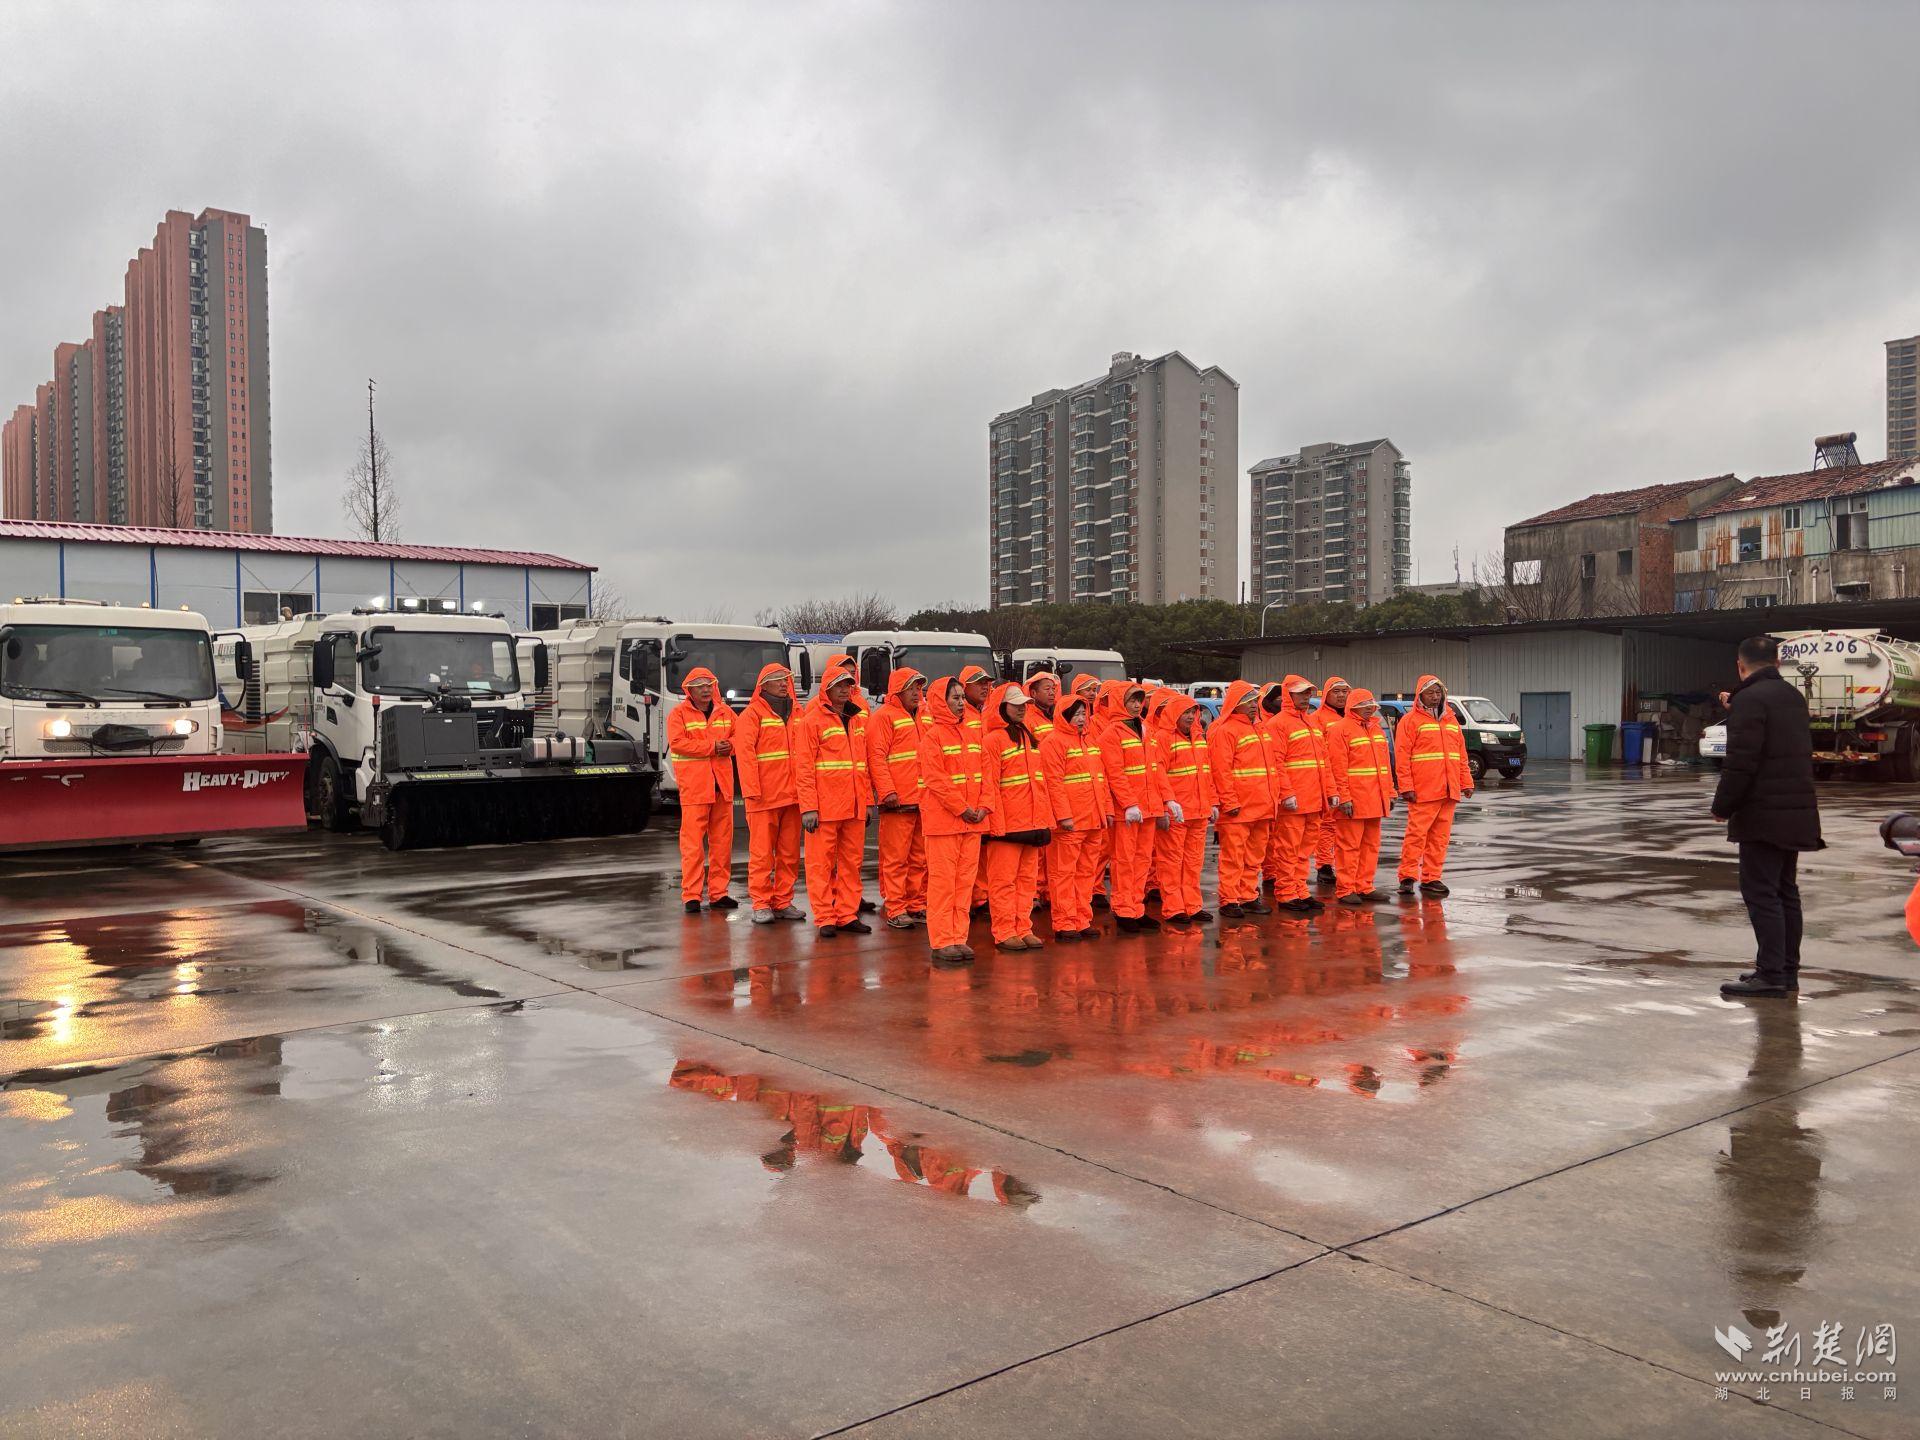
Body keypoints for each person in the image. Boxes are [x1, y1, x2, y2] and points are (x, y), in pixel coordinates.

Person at [1713, 635, 1824, 997]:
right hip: (1795, 812)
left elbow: (1741, 762)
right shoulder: (1793, 697)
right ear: (1778, 663)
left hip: (1762, 814)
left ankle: (1771, 975)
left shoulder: (1749, 700)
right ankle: (1786, 971)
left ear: (1740, 666)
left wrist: (1722, 806)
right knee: (1785, 891)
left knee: (1762, 894)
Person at [795, 669, 873, 938]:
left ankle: (847, 914)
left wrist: (868, 801)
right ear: (826, 689)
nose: (844, 690)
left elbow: (864, 765)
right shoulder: (812, 721)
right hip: (825, 808)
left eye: (848, 685)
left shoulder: (857, 720)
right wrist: (808, 808)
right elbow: (804, 767)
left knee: (852, 863)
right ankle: (825, 917)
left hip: (854, 806)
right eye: (838, 685)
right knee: (820, 865)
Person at [918, 676, 990, 964]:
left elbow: (986, 774)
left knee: (964, 883)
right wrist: (963, 808)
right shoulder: (932, 737)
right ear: (941, 701)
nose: (961, 703)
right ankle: (942, 940)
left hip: (971, 822)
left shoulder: (972, 735)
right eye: (955, 698)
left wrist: (984, 806)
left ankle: (959, 936)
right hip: (944, 823)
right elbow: (936, 779)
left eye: (962, 697)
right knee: (943, 883)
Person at [1209, 680, 1292, 917]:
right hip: (1239, 808)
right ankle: (1229, 900)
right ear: (1234, 704)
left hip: (1262, 807)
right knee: (1233, 857)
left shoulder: (1260, 729)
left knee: (1254, 857)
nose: (1253, 705)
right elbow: (1221, 770)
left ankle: (1247, 896)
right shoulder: (1225, 730)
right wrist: (1229, 802)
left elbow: (1272, 767)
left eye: (1255, 701)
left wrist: (1275, 798)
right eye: (1247, 701)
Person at [981, 683, 1053, 951]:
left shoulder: (1027, 736)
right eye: (1016, 705)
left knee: (1026, 882)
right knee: (1003, 882)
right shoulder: (993, 740)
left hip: (1031, 823)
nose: (1022, 709)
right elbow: (989, 785)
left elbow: (1039, 783)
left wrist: (1043, 820)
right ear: (1002, 707)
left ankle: (1023, 928)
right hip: (1007, 826)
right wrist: (995, 825)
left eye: (1024, 705)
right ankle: (1003, 931)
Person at [734, 663, 807, 925]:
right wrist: (752, 791)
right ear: (763, 685)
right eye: (778, 679)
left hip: (794, 796)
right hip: (764, 797)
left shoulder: (798, 712)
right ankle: (761, 903)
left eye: (786, 679)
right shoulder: (751, 715)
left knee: (789, 854)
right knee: (762, 854)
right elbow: (745, 756)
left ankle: (783, 901)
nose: (784, 683)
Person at [1097, 680, 1171, 932]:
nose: (1137, 705)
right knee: (1124, 861)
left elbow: (1156, 769)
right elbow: (1114, 773)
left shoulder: (1147, 729)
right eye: (1132, 700)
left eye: (1139, 700)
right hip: (1127, 811)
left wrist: (1167, 799)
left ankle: (1136, 908)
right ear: (1121, 702)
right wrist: (1128, 803)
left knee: (1142, 861)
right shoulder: (1111, 734)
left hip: (1148, 808)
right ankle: (1123, 909)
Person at [665, 666, 738, 913]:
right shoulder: (678, 714)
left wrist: (731, 746)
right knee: (693, 846)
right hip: (695, 788)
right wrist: (713, 747)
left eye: (709, 685)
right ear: (690, 690)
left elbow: (742, 737)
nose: (706, 690)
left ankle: (719, 894)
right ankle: (692, 896)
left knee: (722, 844)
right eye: (700, 686)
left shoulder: (725, 712)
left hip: (721, 788)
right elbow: (677, 744)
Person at [1041, 692, 1111, 941]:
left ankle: (1082, 919)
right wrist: (1064, 816)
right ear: (1064, 716)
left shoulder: (1090, 742)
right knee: (1063, 873)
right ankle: (1064, 922)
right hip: (1070, 822)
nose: (1081, 718)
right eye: (1076, 714)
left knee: (1086, 873)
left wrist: (1107, 811)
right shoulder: (1053, 743)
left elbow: (1101, 779)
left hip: (1093, 819)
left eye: (1083, 713)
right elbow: (1053, 783)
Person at [1395, 673, 1472, 896]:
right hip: (1423, 790)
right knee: (1416, 836)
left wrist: (1466, 782)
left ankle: (1431, 878)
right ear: (1420, 695)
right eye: (1430, 693)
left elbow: (1461, 756)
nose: (1435, 696)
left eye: (1438, 692)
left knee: (1440, 839)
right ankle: (1407, 877)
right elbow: (1402, 756)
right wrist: (1406, 786)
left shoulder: (1452, 721)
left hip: (1449, 791)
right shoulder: (1410, 721)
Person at [868, 667, 929, 929]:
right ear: (897, 691)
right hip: (898, 801)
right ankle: (895, 907)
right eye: (910, 688)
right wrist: (887, 791)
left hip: (922, 799)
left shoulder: (925, 716)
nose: (916, 693)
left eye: (918, 688)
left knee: (919, 858)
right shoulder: (883, 717)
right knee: (896, 859)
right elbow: (876, 757)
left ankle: (915, 904)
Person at [1268, 675, 1332, 914]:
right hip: (1294, 801)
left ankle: (1300, 890)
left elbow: (1324, 761)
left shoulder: (1311, 723)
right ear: (1288, 695)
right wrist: (1286, 793)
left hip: (1314, 799)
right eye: (1300, 693)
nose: (1306, 698)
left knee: (1304, 850)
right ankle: (1286, 893)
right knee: (1288, 849)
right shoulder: (1278, 724)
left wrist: (1331, 791)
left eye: (1308, 693)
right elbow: (1276, 762)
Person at [1327, 689, 1395, 904]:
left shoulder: (1375, 729)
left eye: (1371, 704)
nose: (1369, 708)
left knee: (1370, 846)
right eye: (1364, 705)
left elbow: (1385, 766)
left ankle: (1365, 886)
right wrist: (1344, 797)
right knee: (1348, 846)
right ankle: (1346, 888)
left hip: (1374, 799)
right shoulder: (1340, 730)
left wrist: (1390, 792)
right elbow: (1337, 767)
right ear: (1353, 707)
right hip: (1354, 800)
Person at [1154, 691, 1215, 926]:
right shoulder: (1163, 738)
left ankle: (1192, 905)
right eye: (1185, 713)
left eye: (1192, 712)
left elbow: (1206, 772)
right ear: (1173, 714)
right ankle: (1174, 908)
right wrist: (1168, 801)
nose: (1190, 717)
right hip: (1177, 812)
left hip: (1198, 811)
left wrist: (1213, 801)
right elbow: (1158, 772)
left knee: (1193, 862)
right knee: (1171, 862)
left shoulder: (1198, 738)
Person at [958, 664, 996, 916]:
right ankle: (968, 899)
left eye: (987, 683)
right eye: (979, 683)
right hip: (966, 795)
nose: (985, 687)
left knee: (983, 850)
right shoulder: (961, 716)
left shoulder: (988, 713)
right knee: (965, 855)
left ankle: (981, 897)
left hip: (985, 790)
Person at [1311, 676, 1350, 885]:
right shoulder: (1317, 718)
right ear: (1326, 695)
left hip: (1351, 778)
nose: (1341, 695)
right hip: (1330, 777)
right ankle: (1324, 865)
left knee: (1348, 826)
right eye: (1337, 691)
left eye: (1345, 691)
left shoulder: (1353, 716)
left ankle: (1345, 866)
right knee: (1328, 823)